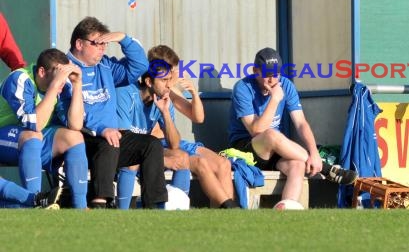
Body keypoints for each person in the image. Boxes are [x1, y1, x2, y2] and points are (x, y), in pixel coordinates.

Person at [228, 47, 358, 206]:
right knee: (271, 135)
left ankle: (286, 211)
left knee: (297, 165)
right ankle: (326, 169)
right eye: (267, 75)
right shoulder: (242, 88)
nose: (272, 80)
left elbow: (301, 123)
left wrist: (314, 153)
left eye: (275, 75)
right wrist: (275, 100)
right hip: (246, 149)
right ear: (255, 71)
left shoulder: (286, 85)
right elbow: (256, 131)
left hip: (275, 149)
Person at [60, 16, 167, 208]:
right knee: (108, 141)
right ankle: (100, 204)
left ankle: (154, 207)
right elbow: (67, 114)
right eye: (97, 44)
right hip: (79, 137)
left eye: (104, 44)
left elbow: (140, 66)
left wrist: (122, 38)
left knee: (151, 145)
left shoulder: (106, 66)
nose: (102, 48)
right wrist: (101, 129)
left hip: (109, 135)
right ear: (79, 43)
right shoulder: (64, 68)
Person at [116, 48, 237, 209]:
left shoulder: (165, 93)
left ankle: (221, 212)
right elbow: (125, 138)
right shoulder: (130, 91)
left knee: (219, 163)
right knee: (196, 162)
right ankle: (122, 212)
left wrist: (190, 95)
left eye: (172, 72)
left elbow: (197, 119)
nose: (173, 76)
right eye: (171, 71)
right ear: (150, 79)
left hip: (159, 146)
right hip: (138, 148)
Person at [0, 48, 88, 208]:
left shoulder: (62, 85)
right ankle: (37, 201)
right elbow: (35, 124)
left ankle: (80, 208)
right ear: (42, 72)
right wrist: (54, 87)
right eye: (59, 76)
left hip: (31, 139)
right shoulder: (20, 79)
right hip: (5, 133)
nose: (63, 81)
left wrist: (77, 84)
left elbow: (76, 124)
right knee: (32, 135)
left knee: (74, 137)